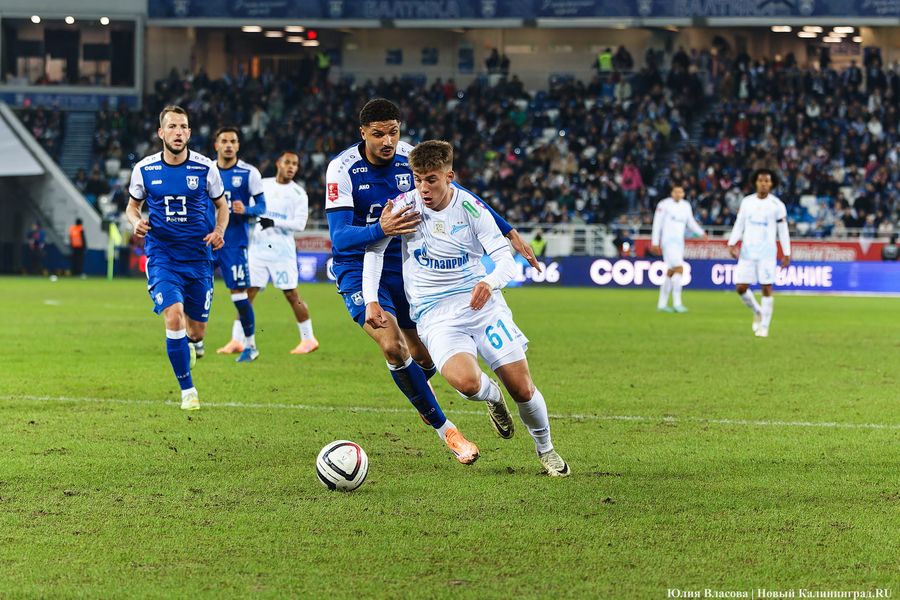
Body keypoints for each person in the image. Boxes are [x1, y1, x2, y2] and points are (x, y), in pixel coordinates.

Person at [325, 98, 540, 465]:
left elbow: (459, 194)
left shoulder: (411, 158)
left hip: (410, 270)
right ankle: (449, 432)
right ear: (363, 133)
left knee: (423, 359)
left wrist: (508, 230)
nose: (388, 141)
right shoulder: (342, 169)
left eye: (393, 131)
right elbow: (340, 237)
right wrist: (380, 228)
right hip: (360, 265)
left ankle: (481, 398)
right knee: (393, 347)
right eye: (378, 134)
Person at [362, 141, 569, 476]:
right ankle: (492, 397)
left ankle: (546, 450)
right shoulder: (403, 207)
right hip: (435, 313)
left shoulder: (472, 209)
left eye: (431, 180)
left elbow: (505, 261)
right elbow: (374, 251)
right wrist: (371, 297)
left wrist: (490, 282)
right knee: (467, 384)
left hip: (482, 305)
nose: (423, 188)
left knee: (524, 389)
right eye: (417, 179)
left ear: (449, 176)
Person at [126, 105, 228, 410]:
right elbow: (132, 207)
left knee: (196, 330)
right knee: (173, 315)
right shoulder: (144, 169)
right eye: (172, 127)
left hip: (199, 257)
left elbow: (222, 206)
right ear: (161, 133)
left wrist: (220, 230)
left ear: (189, 133)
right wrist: (136, 222)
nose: (178, 132)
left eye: (183, 127)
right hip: (162, 255)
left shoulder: (206, 168)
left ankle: (194, 344)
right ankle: (188, 391)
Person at [244, 150, 318, 355]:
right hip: (258, 249)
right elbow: (250, 208)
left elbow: (300, 224)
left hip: (282, 252)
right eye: (288, 163)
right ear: (278, 163)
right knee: (247, 294)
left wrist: (274, 222)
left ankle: (309, 339)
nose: (292, 167)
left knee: (292, 294)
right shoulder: (263, 185)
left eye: (295, 164)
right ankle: (239, 340)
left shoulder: (298, 193)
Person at [210, 127, 268, 363]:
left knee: (239, 295)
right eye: (224, 141)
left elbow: (262, 207)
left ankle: (250, 345)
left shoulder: (249, 173)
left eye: (233, 141)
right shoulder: (206, 171)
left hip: (234, 243)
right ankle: (193, 341)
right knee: (192, 289)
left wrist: (248, 210)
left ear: (238, 145)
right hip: (206, 240)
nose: (228, 145)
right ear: (216, 145)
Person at [727, 169, 791, 338]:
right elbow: (739, 223)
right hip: (747, 252)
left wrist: (787, 252)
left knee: (766, 288)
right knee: (740, 288)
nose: (763, 183)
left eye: (766, 180)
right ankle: (758, 311)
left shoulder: (777, 205)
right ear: (755, 182)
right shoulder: (747, 202)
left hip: (767, 253)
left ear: (771, 183)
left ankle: (764, 327)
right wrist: (732, 243)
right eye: (760, 180)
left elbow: (783, 231)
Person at [650, 183, 708, 313]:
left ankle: (661, 304)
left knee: (670, 272)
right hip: (667, 242)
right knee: (679, 269)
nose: (678, 194)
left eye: (680, 192)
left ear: (683, 193)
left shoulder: (685, 206)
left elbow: (690, 222)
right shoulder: (664, 204)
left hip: (679, 243)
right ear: (671, 193)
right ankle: (677, 303)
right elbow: (657, 223)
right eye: (675, 192)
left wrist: (701, 232)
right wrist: (655, 242)